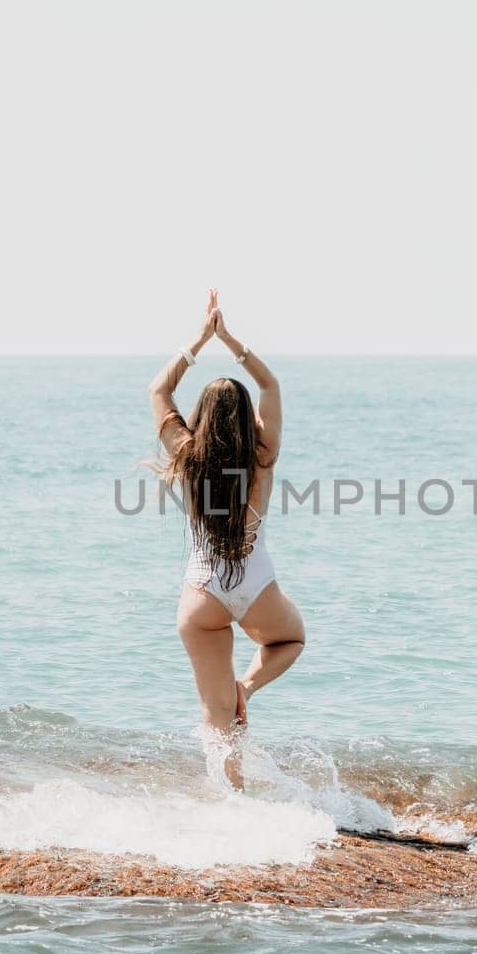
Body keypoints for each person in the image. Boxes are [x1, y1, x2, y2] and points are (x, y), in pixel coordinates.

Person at [149, 289, 306, 789]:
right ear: (244, 419)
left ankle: (230, 799)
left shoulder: (185, 454)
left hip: (201, 593)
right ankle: (248, 687)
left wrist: (199, 340)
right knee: (290, 639)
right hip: (255, 584)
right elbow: (271, 382)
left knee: (215, 714)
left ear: (202, 417)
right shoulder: (263, 453)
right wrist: (230, 340)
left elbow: (158, 391)